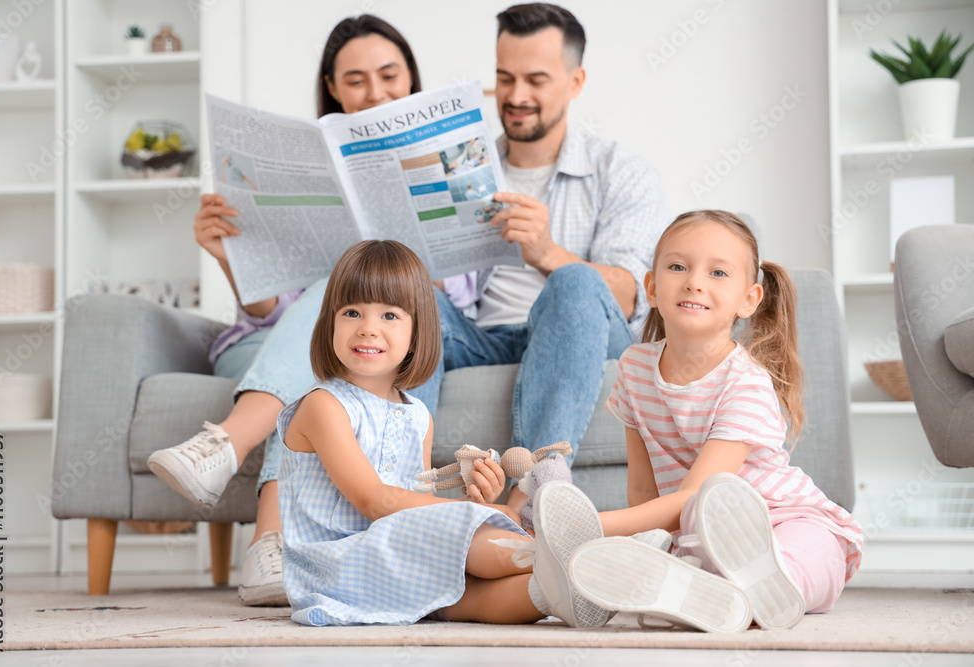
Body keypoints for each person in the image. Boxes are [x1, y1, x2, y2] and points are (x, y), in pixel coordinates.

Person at [146, 15, 475, 607]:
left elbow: (452, 301)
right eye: (355, 80)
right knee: (330, 305)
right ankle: (262, 525)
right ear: (333, 89)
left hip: (371, 342)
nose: (374, 93)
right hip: (285, 340)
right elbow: (266, 308)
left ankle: (236, 468)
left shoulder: (447, 173)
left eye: (389, 75)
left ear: (412, 80)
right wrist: (230, 257)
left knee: (339, 311)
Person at [276, 240, 609, 628]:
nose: (367, 328)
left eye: (389, 316)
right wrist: (475, 512)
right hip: (338, 566)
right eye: (352, 312)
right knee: (473, 533)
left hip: (394, 556)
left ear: (418, 332)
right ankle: (580, 559)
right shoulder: (323, 406)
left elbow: (414, 503)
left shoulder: (417, 415)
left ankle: (564, 590)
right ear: (329, 323)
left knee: (463, 599)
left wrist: (472, 498)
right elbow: (377, 501)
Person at [420, 3, 671, 516]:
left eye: (536, 79)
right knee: (403, 298)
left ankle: (531, 494)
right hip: (484, 338)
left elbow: (626, 294)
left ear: (575, 82)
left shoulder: (620, 171)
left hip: (582, 337)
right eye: (504, 78)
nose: (516, 96)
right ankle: (403, 488)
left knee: (576, 282)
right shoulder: (463, 171)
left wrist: (545, 253)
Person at [563, 210, 864, 632]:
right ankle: (711, 591)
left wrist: (593, 527)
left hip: (788, 518)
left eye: (718, 272)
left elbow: (690, 495)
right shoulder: (633, 369)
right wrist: (642, 539)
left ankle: (767, 588)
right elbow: (644, 488)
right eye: (677, 266)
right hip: (701, 530)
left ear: (749, 299)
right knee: (692, 540)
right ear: (651, 287)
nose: (694, 281)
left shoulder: (745, 382)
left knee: (802, 557)